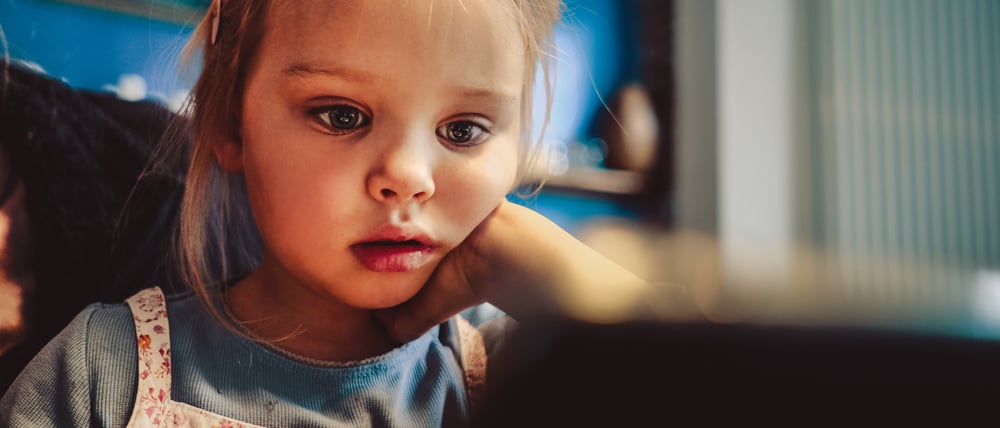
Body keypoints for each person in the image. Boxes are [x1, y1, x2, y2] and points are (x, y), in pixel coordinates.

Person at [0, 0, 651, 426]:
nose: (408, 177)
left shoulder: (514, 372)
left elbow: (705, 394)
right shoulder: (103, 373)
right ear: (229, 121)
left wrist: (543, 265)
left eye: (463, 130)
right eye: (342, 116)